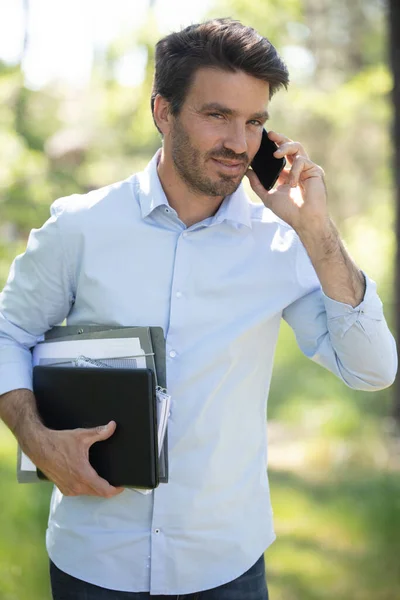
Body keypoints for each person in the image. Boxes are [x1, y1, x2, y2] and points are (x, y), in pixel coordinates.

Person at [0, 17, 397, 600]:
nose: (240, 143)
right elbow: (9, 331)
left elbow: (371, 370)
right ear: (163, 112)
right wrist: (32, 436)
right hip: (94, 563)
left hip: (226, 569)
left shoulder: (284, 242)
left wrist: (317, 229)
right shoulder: (81, 228)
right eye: (218, 116)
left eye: (255, 121)